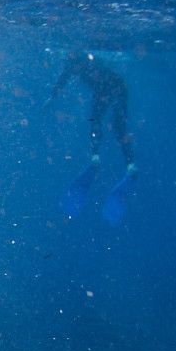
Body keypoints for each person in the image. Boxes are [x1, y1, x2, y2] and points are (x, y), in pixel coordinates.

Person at [51, 52, 135, 224]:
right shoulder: (73, 64)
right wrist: (53, 96)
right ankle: (102, 159)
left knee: (115, 125)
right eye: (73, 67)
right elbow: (64, 78)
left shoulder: (91, 63)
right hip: (105, 89)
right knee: (98, 121)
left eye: (76, 67)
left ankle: (129, 164)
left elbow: (105, 78)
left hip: (116, 88)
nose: (74, 70)